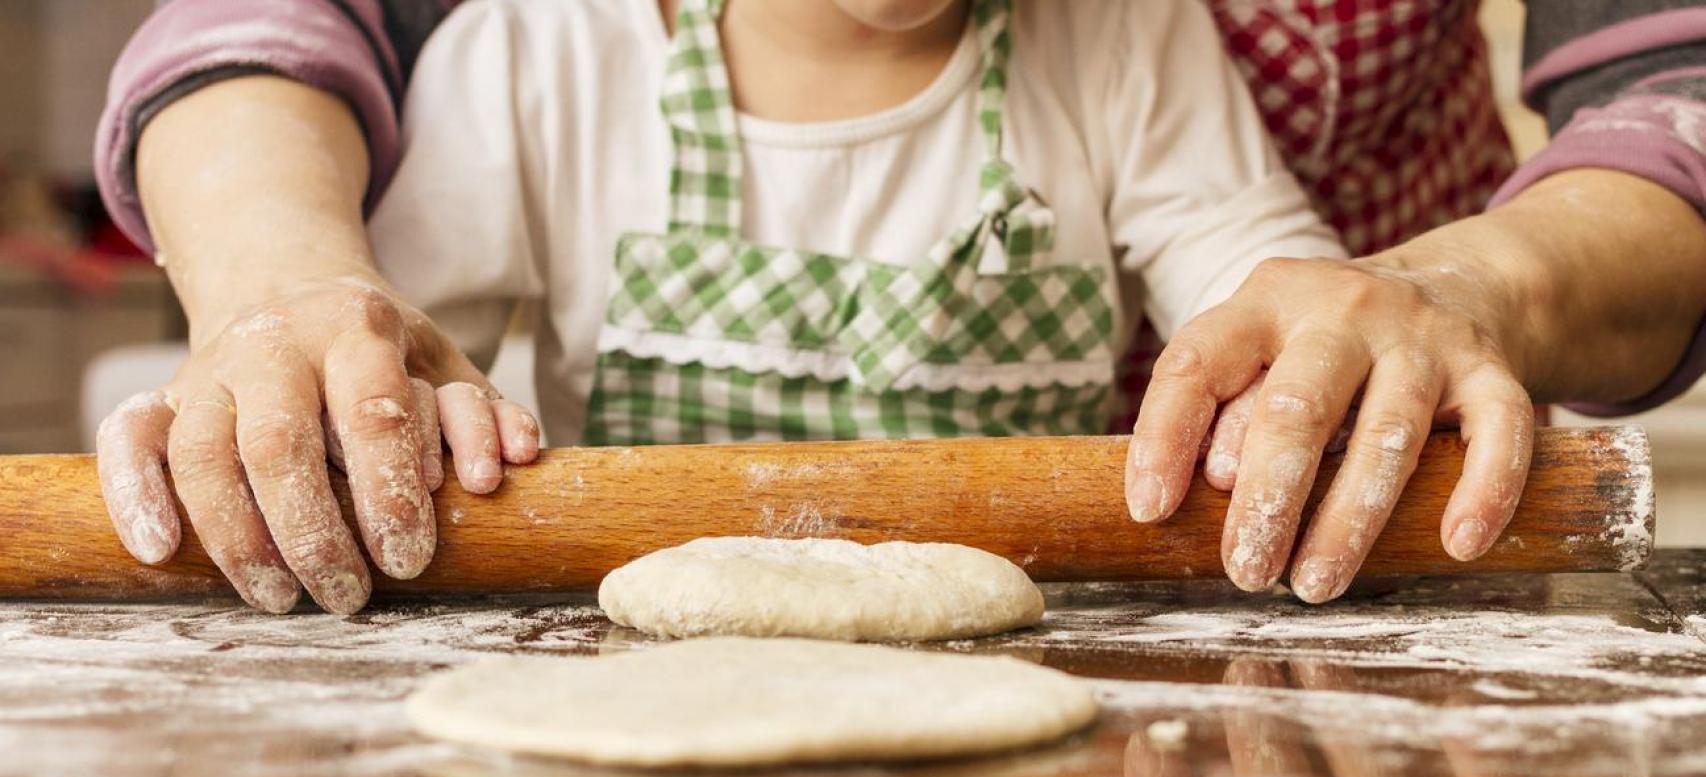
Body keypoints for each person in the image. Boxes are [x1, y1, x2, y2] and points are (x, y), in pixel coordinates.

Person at [95, 0, 1706, 614]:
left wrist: (1358, 349)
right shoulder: (546, 54)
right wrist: (325, 369)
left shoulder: (1123, 48)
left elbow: (1267, 316)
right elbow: (377, 352)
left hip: (1044, 675)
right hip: (599, 657)